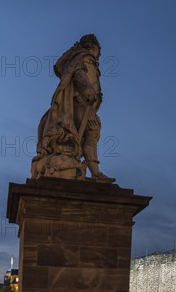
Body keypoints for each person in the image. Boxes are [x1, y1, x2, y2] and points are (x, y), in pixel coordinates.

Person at [31, 34, 114, 182]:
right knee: (92, 130)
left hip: (81, 103)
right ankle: (95, 173)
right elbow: (78, 72)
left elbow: (60, 67)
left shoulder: (77, 56)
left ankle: (85, 170)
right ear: (95, 48)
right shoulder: (86, 56)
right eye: (98, 52)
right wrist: (87, 88)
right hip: (81, 103)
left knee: (84, 135)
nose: (98, 55)